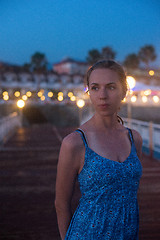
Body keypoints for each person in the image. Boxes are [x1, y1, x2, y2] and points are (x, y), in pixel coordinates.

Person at [55, 59, 143, 240]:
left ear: (123, 91)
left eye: (111, 87)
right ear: (89, 92)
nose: (102, 95)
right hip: (87, 233)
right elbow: (61, 203)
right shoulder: (75, 142)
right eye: (95, 88)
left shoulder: (134, 139)